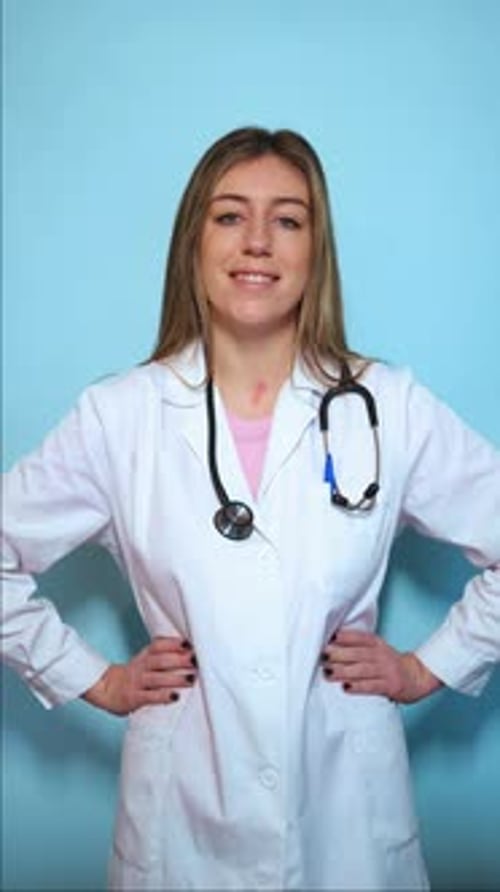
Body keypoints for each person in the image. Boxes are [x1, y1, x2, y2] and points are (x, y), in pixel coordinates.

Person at [2, 126, 499, 892]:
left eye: (288, 219)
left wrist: (424, 667)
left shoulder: (388, 407)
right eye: (230, 215)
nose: (258, 241)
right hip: (180, 821)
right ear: (193, 244)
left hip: (347, 819)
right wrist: (94, 679)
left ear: (315, 250)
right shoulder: (119, 417)